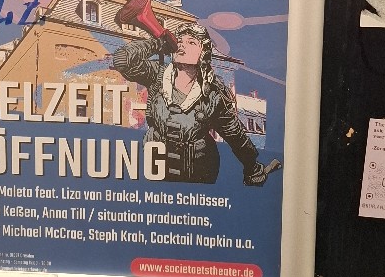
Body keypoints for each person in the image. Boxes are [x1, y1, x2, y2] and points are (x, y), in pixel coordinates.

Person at [112, 18, 280, 185]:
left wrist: (252, 168)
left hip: (197, 172)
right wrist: (157, 43)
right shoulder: (157, 74)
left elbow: (234, 135)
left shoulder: (213, 92)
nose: (181, 45)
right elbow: (122, 60)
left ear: (203, 53)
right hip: (155, 168)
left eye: (191, 42)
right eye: (179, 40)